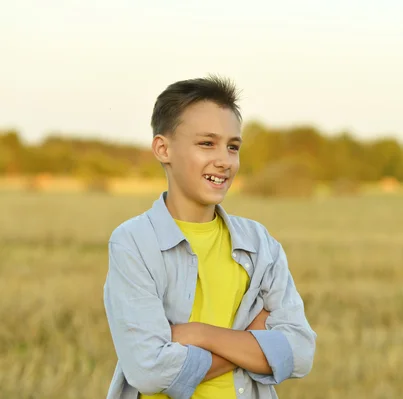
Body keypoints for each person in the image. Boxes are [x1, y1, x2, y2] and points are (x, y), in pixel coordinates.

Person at [103, 76, 317, 399]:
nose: (224, 160)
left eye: (233, 147)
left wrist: (199, 335)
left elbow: (300, 352)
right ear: (163, 149)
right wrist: (250, 341)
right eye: (207, 143)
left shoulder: (260, 245)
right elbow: (149, 371)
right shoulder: (133, 244)